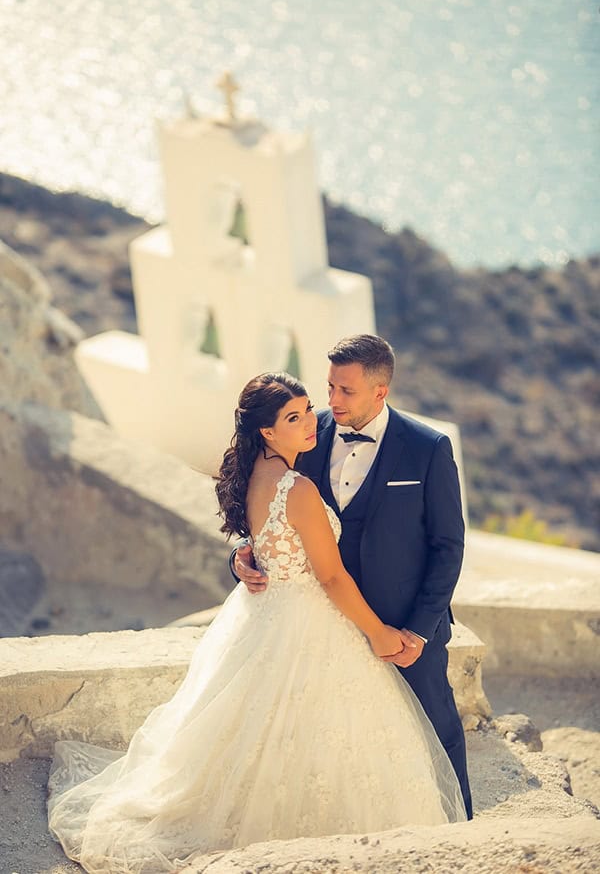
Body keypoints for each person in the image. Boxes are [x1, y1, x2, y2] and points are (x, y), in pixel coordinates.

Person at [48, 371, 466, 874]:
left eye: (309, 409)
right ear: (267, 430)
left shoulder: (259, 471)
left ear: (380, 389)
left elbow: (270, 539)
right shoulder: (298, 483)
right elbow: (331, 576)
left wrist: (253, 556)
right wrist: (378, 633)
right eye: (296, 416)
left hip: (270, 614)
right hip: (312, 615)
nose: (313, 419)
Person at [233, 335, 473, 819]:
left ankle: (459, 826)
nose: (332, 400)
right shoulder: (306, 432)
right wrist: (243, 556)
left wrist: (418, 630)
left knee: (434, 726)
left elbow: (448, 547)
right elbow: (267, 510)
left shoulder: (427, 448)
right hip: (322, 624)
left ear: (380, 391)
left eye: (346, 390)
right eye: (330, 387)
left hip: (403, 624)